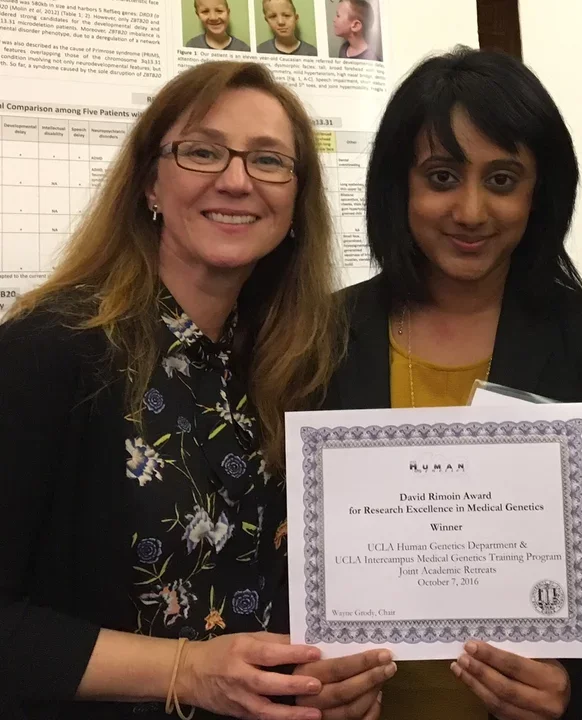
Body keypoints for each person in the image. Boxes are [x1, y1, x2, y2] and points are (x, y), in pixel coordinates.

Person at [0, 60, 396, 720]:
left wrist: (316, 685)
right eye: (203, 152)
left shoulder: (293, 363)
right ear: (150, 182)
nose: (236, 179)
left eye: (269, 161)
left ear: (296, 201)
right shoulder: (48, 350)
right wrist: (186, 672)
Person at [306, 47, 582, 720]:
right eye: (441, 175)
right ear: (399, 187)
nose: (470, 210)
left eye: (503, 179)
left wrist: (576, 695)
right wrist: (315, 680)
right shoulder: (322, 337)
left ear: (539, 192)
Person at [185, 0, 250, 52]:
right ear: (198, 15)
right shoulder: (192, 47)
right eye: (205, 11)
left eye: (219, 11)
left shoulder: (243, 49)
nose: (213, 17)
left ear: (228, 13)